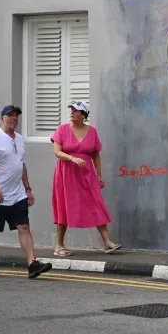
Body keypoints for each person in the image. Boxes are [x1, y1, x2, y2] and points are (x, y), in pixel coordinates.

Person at [0, 105, 53, 279]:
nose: (14, 118)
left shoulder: (19, 139)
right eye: (10, 115)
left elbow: (21, 165)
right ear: (2, 118)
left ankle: (32, 264)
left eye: (16, 116)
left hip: (17, 193)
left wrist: (27, 189)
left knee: (24, 226)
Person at [50, 101, 121, 255]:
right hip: (66, 173)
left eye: (76, 111)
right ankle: (59, 246)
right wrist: (72, 158)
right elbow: (56, 151)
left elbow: (95, 154)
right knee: (64, 205)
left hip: (86, 173)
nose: (72, 112)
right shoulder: (62, 130)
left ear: (83, 115)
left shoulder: (92, 132)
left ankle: (107, 242)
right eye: (72, 109)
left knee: (96, 202)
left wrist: (99, 175)